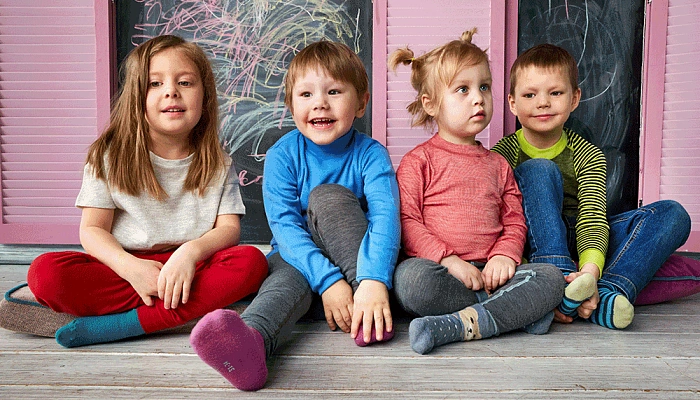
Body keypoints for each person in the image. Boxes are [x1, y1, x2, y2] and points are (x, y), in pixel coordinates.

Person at [25, 35, 268, 348]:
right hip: (126, 266)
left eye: (185, 82)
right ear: (136, 98)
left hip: (191, 267)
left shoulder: (218, 162)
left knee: (251, 263)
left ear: (205, 97)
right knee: (46, 274)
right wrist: (131, 268)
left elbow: (229, 229)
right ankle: (174, 308)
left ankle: (125, 324)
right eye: (155, 83)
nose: (171, 91)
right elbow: (92, 231)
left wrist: (189, 253)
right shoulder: (108, 156)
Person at [189, 40, 401, 391]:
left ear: (362, 103)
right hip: (302, 265)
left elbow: (385, 218)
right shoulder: (282, 155)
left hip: (357, 271)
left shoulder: (371, 154)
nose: (320, 103)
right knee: (283, 280)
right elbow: (285, 228)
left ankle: (370, 313)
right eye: (306, 94)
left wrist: (372, 280)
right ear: (291, 106)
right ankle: (252, 342)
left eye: (334, 91)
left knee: (327, 199)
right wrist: (327, 281)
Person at [389, 28, 565, 355]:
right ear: (431, 103)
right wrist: (450, 261)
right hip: (442, 272)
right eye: (463, 89)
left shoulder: (498, 164)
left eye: (484, 87)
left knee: (551, 278)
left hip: (493, 273)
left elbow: (514, 220)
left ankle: (460, 324)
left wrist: (504, 255)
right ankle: (511, 312)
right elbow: (408, 222)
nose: (478, 98)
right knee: (411, 281)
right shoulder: (418, 161)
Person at [492, 43, 691, 330]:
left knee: (673, 214)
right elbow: (498, 221)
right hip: (532, 241)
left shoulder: (588, 155)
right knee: (538, 169)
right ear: (512, 103)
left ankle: (603, 293)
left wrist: (589, 273)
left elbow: (592, 218)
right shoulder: (501, 156)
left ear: (574, 98)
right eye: (529, 95)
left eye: (555, 93)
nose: (543, 102)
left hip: (581, 236)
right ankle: (556, 279)